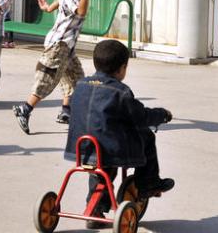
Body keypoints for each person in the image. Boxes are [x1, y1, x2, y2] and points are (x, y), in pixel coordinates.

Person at [64, 40, 174, 229]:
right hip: (111, 149)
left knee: (98, 165)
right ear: (122, 68)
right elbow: (140, 116)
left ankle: (96, 209)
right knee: (146, 136)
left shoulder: (80, 85)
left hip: (81, 148)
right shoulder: (120, 92)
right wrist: (162, 115)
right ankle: (148, 183)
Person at [13, 0, 101, 134]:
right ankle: (25, 109)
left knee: (75, 78)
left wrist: (47, 8)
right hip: (58, 46)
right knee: (48, 78)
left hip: (67, 47)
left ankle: (66, 111)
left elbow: (59, 1)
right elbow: (81, 12)